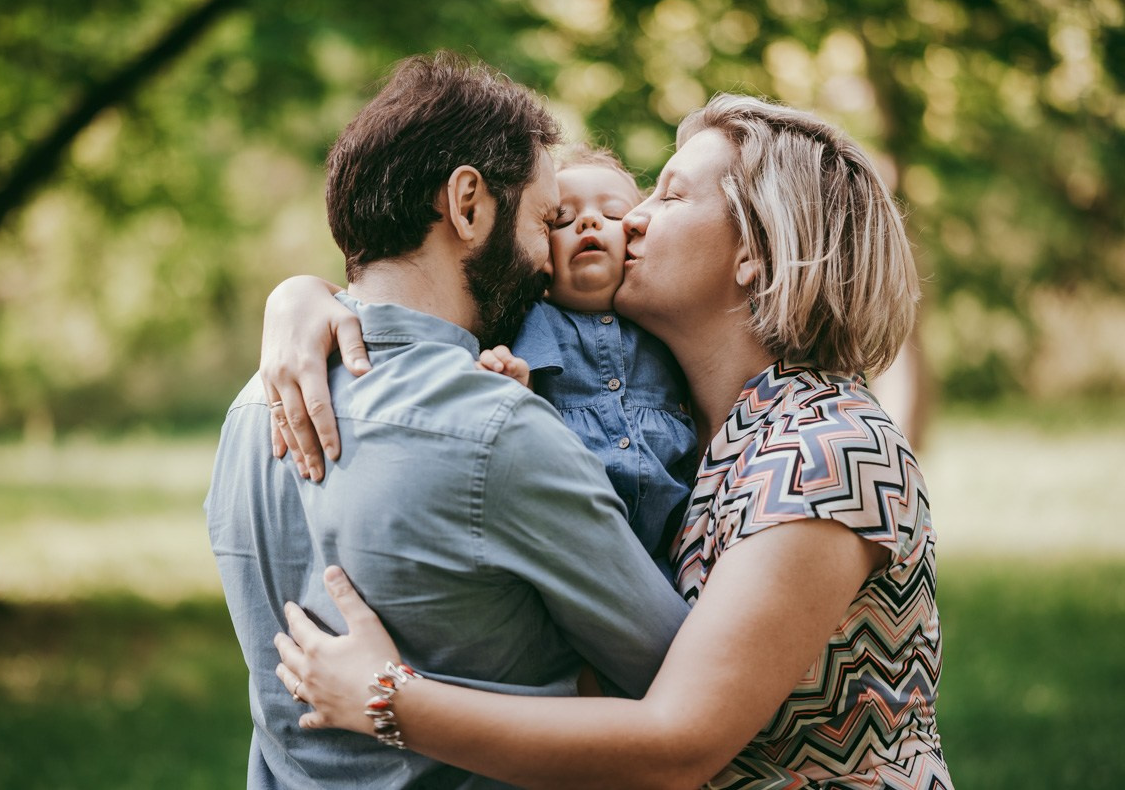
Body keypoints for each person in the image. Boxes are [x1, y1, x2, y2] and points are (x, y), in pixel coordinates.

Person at [262, 93, 953, 789]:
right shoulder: (680, 424)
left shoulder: (826, 447)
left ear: (755, 250)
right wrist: (302, 297)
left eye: (669, 196)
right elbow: (428, 286)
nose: (634, 219)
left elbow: (678, 743)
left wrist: (389, 701)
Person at [205, 52, 690, 790]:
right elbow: (672, 673)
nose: (544, 258)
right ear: (469, 204)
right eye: (544, 219)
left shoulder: (253, 407)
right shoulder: (498, 430)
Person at [478, 144, 698, 573]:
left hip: (666, 560)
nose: (589, 221)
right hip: (564, 552)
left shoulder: (666, 325)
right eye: (563, 220)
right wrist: (515, 386)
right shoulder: (527, 321)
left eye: (614, 215)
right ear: (539, 259)